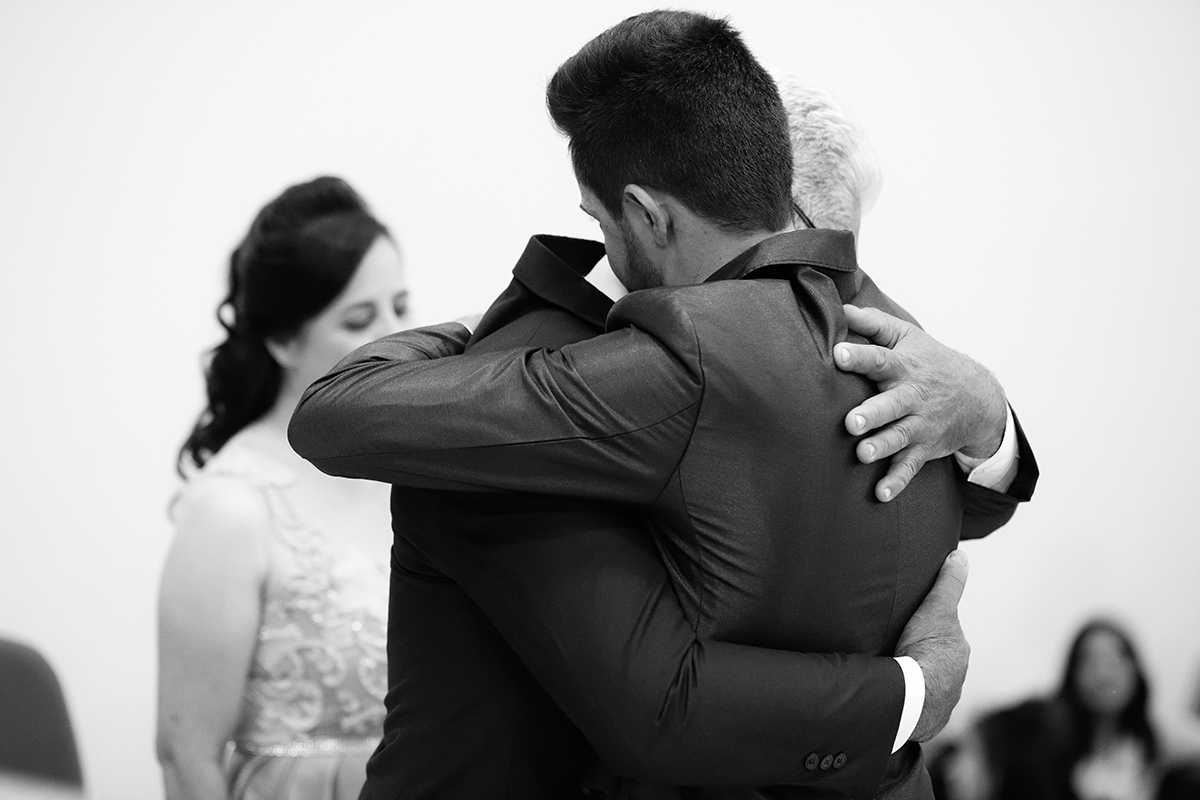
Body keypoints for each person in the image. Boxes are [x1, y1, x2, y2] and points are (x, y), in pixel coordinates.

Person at [291, 11, 1038, 799]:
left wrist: (987, 415)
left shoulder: (855, 349)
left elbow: (668, 706)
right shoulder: (571, 375)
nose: (814, 283)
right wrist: (915, 692)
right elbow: (665, 700)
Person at [156, 176, 409, 800]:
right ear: (282, 339)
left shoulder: (413, 463)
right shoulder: (233, 506)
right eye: (359, 319)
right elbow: (187, 755)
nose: (394, 337)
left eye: (401, 308)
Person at [1059, 619, 1160, 800]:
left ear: (1136, 670)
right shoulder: (1051, 744)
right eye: (1091, 662)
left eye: (1114, 661)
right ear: (1072, 674)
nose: (1104, 675)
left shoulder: (1156, 742)